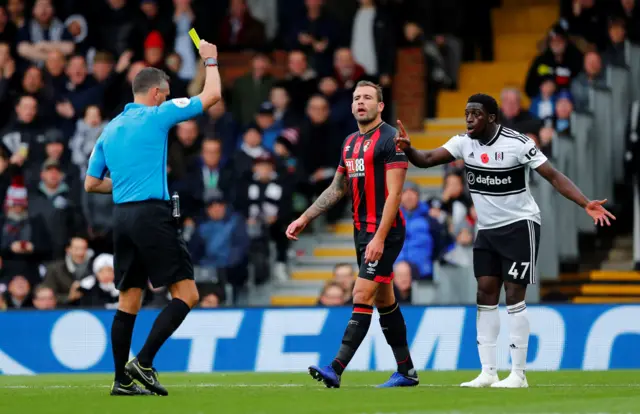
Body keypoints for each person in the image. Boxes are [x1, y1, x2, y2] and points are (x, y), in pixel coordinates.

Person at [394, 93, 616, 388]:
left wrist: (585, 203)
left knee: (513, 295)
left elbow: (553, 175)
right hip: (486, 230)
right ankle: (488, 371)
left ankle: (519, 374)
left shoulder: (518, 143)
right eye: (466, 113)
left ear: (492, 118)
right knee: (484, 294)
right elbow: (427, 159)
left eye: (476, 113)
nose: (469, 118)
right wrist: (409, 150)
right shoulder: (463, 142)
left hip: (519, 226)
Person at [84, 39, 222, 396]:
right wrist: (210, 61)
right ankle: (143, 362)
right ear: (158, 93)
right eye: (167, 92)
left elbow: (90, 183)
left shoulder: (110, 128)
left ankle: (120, 380)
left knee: (129, 298)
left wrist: (126, 186)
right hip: (151, 214)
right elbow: (211, 97)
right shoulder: (158, 114)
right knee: (187, 293)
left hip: (123, 217)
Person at [286, 80, 418, 388]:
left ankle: (335, 368)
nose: (361, 101)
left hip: (385, 231)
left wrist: (380, 238)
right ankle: (407, 371)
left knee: (361, 294)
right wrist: (305, 217)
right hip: (362, 231)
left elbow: (395, 195)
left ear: (380, 105)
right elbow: (336, 188)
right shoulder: (349, 143)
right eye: (357, 97)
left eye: (368, 97)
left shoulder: (391, 140)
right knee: (385, 300)